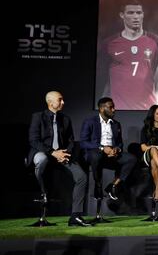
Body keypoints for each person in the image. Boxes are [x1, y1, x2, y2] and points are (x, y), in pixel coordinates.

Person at [27, 91, 90, 226]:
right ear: (50, 102)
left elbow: (71, 140)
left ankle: (75, 216)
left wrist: (64, 153)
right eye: (60, 100)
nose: (63, 102)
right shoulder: (38, 117)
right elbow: (33, 140)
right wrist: (52, 152)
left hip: (61, 155)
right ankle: (44, 194)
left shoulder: (65, 119)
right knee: (41, 159)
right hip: (43, 152)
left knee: (82, 177)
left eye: (62, 100)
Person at [97, 0, 158, 110]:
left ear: (143, 15)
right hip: (117, 109)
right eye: (130, 13)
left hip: (147, 108)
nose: (135, 16)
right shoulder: (108, 44)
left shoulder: (157, 42)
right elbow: (100, 75)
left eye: (139, 13)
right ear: (122, 15)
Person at [80, 97, 136, 201]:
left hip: (111, 154)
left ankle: (113, 185)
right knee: (96, 155)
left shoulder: (116, 124)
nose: (114, 110)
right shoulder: (90, 122)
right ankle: (98, 185)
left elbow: (119, 143)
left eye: (113, 107)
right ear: (101, 109)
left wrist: (116, 150)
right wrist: (102, 148)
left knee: (131, 158)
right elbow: (83, 142)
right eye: (111, 107)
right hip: (95, 153)